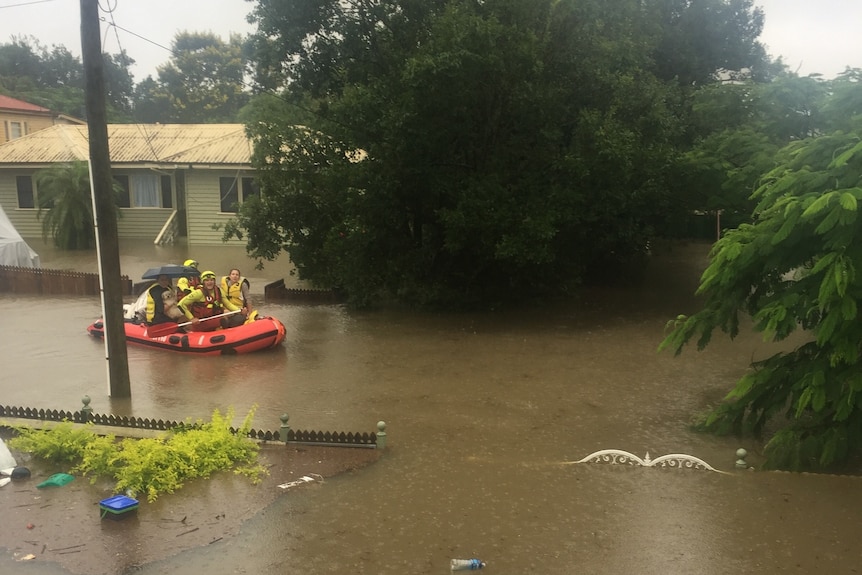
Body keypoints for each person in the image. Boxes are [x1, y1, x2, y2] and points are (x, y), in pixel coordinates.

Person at [177, 270, 243, 331]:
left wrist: (239, 310)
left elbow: (228, 304)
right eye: (207, 280)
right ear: (203, 282)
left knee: (238, 318)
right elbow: (181, 304)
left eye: (211, 280)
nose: (209, 282)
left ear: (214, 281)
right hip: (202, 323)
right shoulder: (198, 293)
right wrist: (192, 318)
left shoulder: (219, 291)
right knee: (223, 320)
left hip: (214, 320)